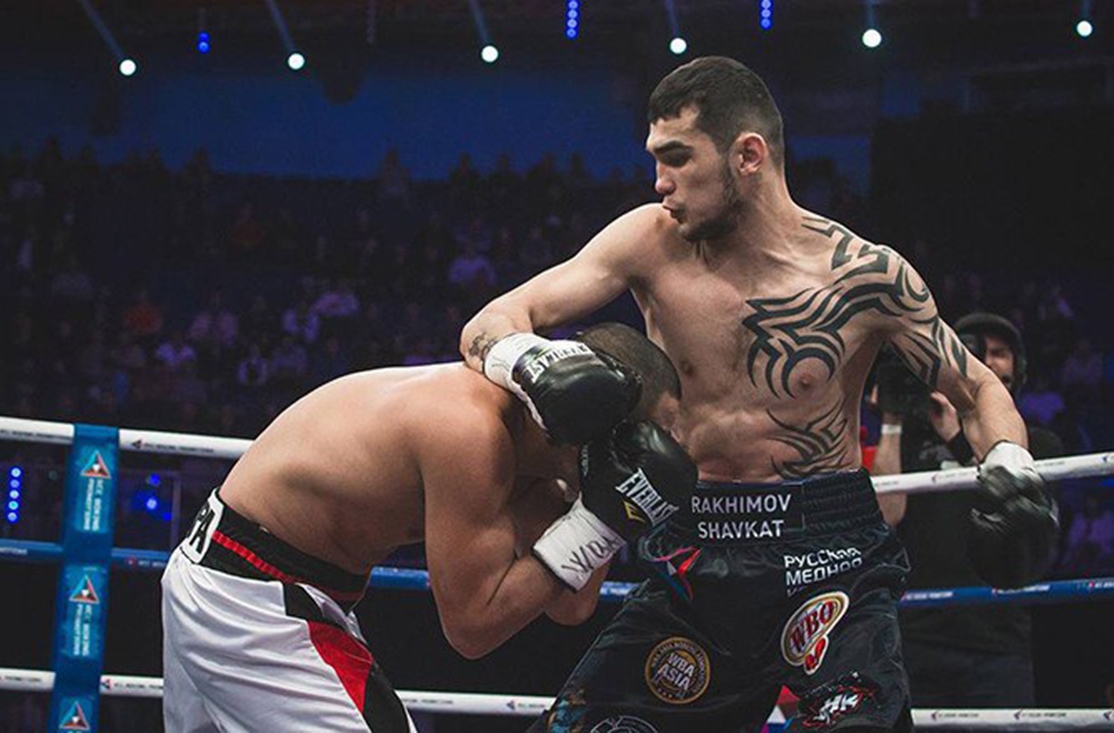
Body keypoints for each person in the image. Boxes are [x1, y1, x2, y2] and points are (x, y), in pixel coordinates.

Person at [459, 56, 1057, 732]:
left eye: (677, 158)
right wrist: (530, 360)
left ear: (748, 155)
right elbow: (492, 321)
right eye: (656, 159)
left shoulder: (864, 275)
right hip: (694, 551)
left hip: (832, 556)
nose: (659, 182)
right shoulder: (648, 242)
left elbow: (976, 388)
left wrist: (1011, 464)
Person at [161, 322, 697, 732]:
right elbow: (472, 627)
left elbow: (570, 606)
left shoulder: (534, 459)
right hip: (253, 597)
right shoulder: (470, 430)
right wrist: (597, 521)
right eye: (642, 439)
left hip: (255, 583)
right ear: (594, 413)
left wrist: (602, 515)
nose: (645, 458)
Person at [872, 312, 1063, 711]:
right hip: (918, 632)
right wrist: (892, 419)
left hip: (996, 638)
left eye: (999, 352)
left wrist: (957, 438)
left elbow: (1028, 527)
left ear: (1017, 368)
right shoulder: (912, 440)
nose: (987, 362)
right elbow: (886, 515)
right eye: (974, 353)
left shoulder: (1039, 445)